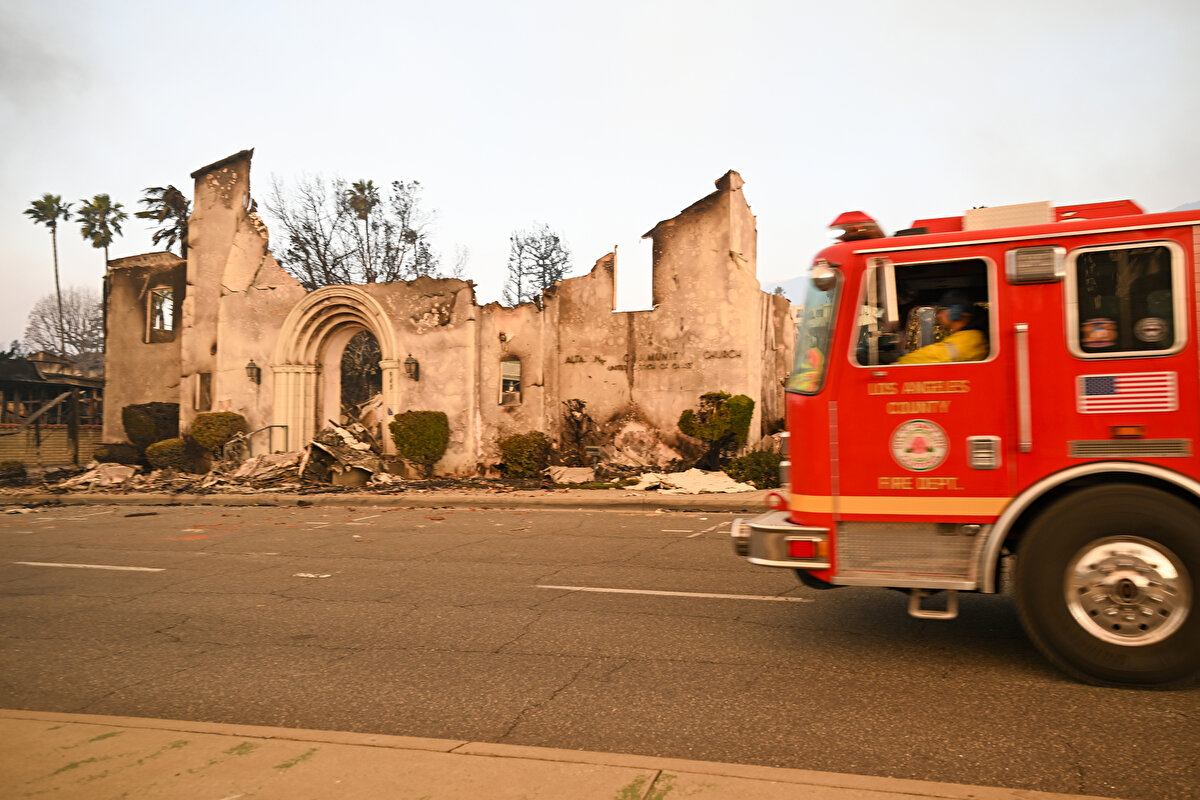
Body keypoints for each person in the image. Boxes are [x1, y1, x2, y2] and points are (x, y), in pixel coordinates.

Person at [897, 290, 988, 364]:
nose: (939, 316)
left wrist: (901, 363)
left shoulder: (970, 338)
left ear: (955, 312)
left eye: (942, 310)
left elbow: (937, 355)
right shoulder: (968, 335)